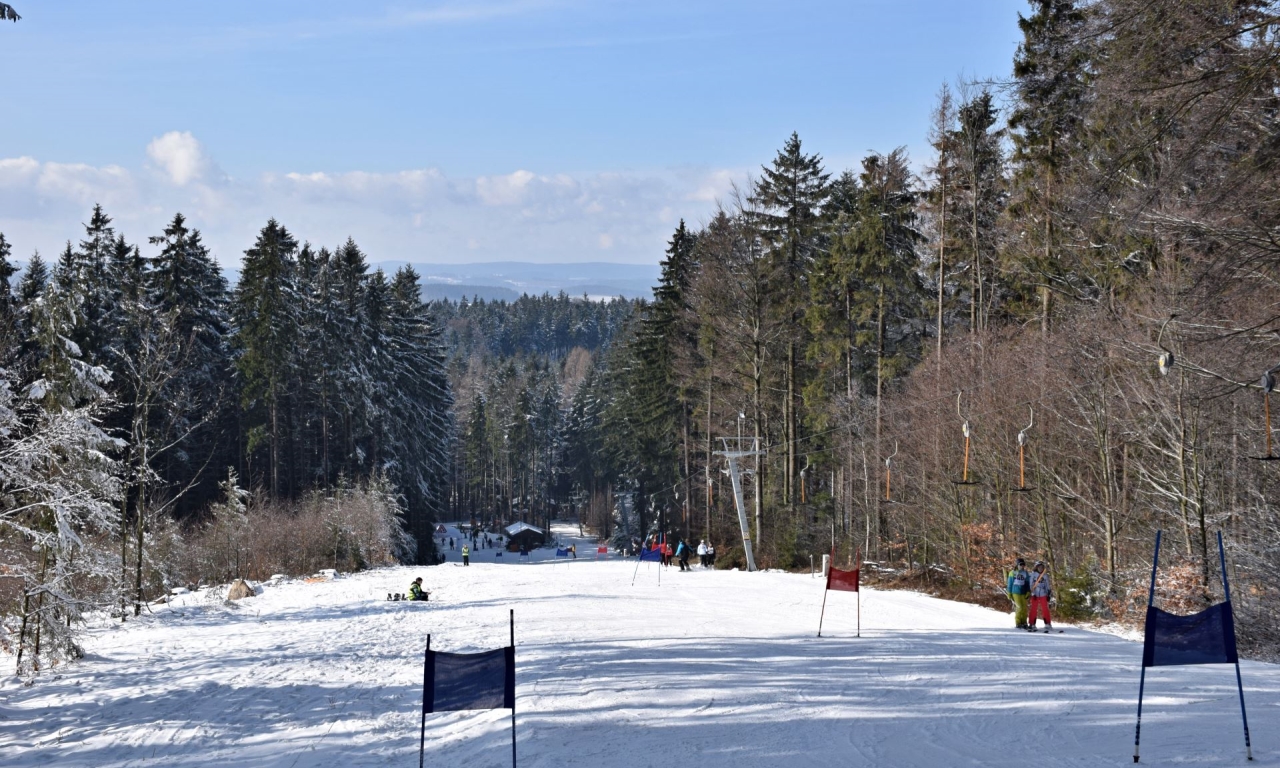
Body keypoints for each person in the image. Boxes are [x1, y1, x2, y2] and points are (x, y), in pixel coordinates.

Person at [1028, 561, 1053, 632]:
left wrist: (1048, 594)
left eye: (1042, 567)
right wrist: (1033, 593)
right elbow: (1031, 585)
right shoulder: (1033, 575)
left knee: (1045, 609)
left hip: (1043, 594)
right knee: (1033, 609)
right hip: (1035, 594)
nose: (1040, 568)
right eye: (1039, 567)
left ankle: (1047, 623)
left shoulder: (1045, 576)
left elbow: (1047, 585)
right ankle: (1032, 623)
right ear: (1036, 567)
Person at [1006, 558, 1031, 629]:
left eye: (1023, 565)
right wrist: (1009, 593)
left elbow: (1027, 583)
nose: (1022, 566)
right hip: (1015, 592)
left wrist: (1028, 591)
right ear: (1017, 565)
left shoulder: (1025, 573)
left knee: (1024, 608)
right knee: (1019, 607)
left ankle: (1024, 622)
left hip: (1023, 592)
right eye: (1020, 564)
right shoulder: (1012, 573)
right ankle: (1018, 622)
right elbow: (1010, 584)